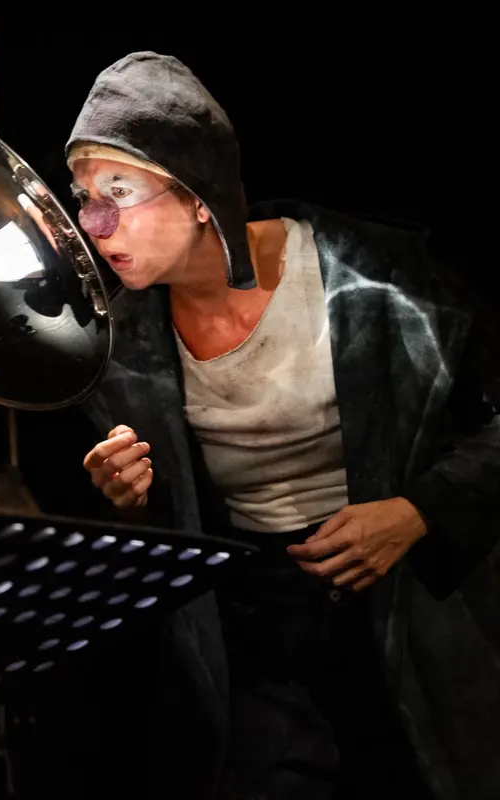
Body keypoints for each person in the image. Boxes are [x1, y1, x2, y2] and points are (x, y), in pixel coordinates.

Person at [66, 52, 499, 800]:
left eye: (120, 192)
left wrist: (418, 510)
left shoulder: (376, 276)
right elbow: (165, 542)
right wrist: (134, 499)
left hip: (406, 600)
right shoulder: (119, 345)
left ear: (200, 195)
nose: (94, 224)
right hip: (258, 630)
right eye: (84, 197)